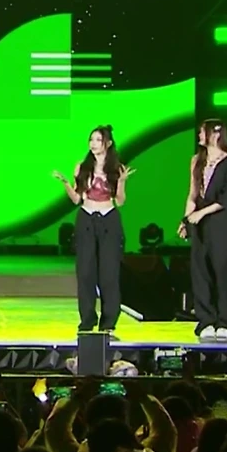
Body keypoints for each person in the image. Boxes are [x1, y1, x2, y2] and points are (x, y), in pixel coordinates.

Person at [54, 125, 135, 336]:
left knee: (109, 274)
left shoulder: (116, 169)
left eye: (98, 140)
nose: (93, 144)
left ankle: (109, 322)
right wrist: (66, 183)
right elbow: (76, 199)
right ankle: (87, 319)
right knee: (85, 272)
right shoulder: (82, 167)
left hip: (109, 220)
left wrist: (122, 182)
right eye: (91, 140)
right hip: (86, 219)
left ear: (108, 143)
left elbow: (120, 201)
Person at [178, 119, 227, 342]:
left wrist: (201, 213)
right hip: (201, 224)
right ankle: (206, 319)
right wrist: (186, 220)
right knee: (200, 271)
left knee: (223, 272)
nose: (199, 135)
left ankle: (225, 321)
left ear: (215, 134)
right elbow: (192, 194)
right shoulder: (196, 160)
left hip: (223, 223)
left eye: (202, 132)